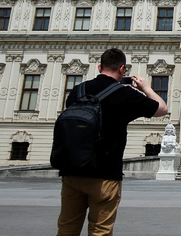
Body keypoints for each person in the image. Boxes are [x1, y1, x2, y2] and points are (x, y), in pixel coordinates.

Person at [56, 48, 168, 236]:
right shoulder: (125, 95)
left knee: (67, 229)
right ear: (122, 69)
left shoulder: (78, 90)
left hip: (72, 171)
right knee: (100, 231)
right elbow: (162, 109)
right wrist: (145, 88)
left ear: (99, 66)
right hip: (104, 175)